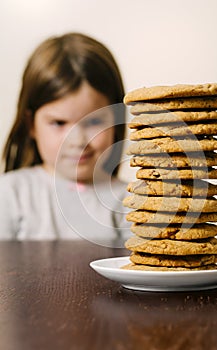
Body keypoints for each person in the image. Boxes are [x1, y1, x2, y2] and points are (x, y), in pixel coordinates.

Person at [0, 32, 130, 246]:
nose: (77, 140)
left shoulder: (131, 202)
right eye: (59, 123)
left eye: (94, 122)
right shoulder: (9, 196)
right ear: (31, 124)